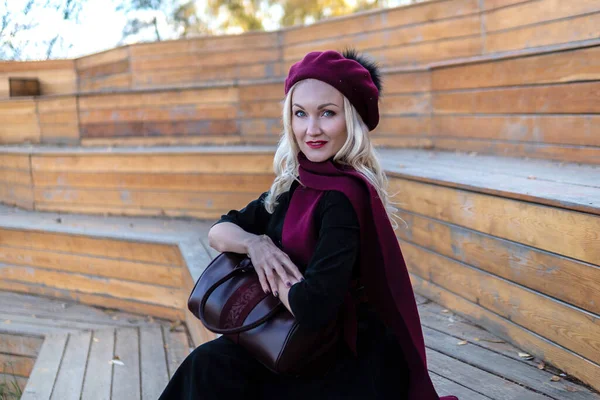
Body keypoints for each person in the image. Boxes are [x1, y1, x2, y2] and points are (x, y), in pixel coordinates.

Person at [160, 49, 458, 400]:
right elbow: (220, 231)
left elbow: (312, 307)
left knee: (211, 370)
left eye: (327, 114)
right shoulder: (296, 182)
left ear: (351, 120)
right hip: (292, 337)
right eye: (300, 114)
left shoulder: (343, 197)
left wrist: (272, 273)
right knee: (207, 365)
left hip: (340, 359)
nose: (311, 129)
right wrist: (257, 246)